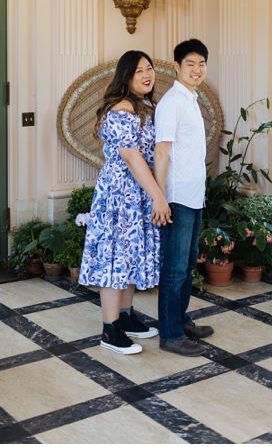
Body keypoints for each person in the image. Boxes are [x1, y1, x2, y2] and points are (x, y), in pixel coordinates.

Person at [79, 50, 172, 354]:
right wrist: (158, 195)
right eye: (138, 72)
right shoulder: (121, 109)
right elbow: (132, 157)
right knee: (114, 259)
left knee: (129, 255)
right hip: (121, 194)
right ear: (126, 77)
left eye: (149, 69)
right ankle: (110, 331)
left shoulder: (144, 105)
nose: (147, 75)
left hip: (139, 191)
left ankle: (127, 317)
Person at [154, 39, 213, 356]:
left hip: (194, 196)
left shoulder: (191, 98)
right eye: (190, 63)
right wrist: (160, 198)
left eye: (201, 63)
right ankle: (171, 335)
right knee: (174, 269)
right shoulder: (171, 103)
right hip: (176, 198)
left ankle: (181, 320)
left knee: (188, 263)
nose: (197, 69)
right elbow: (161, 153)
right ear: (176, 66)